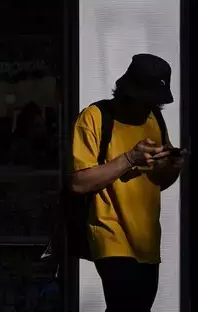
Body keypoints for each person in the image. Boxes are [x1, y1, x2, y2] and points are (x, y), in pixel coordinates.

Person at [70, 53, 184, 312]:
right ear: (128, 93)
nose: (148, 109)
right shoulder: (95, 117)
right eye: (144, 102)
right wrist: (130, 158)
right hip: (109, 233)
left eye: (154, 103)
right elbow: (78, 183)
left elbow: (158, 182)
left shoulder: (155, 119)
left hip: (146, 238)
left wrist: (173, 168)